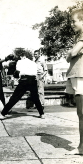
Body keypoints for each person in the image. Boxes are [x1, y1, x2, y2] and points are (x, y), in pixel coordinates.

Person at [0, 52, 44, 120]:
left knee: (14, 98)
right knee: (36, 98)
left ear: (22, 56)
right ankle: (41, 113)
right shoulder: (33, 63)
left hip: (24, 80)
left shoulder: (20, 61)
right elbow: (35, 73)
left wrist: (15, 75)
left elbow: (17, 73)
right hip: (33, 80)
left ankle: (3, 114)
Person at [65, 9, 83, 155]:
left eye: (74, 21)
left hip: (81, 74)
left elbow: (73, 53)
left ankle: (82, 148)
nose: (72, 24)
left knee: (81, 112)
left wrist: (70, 53)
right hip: (79, 74)